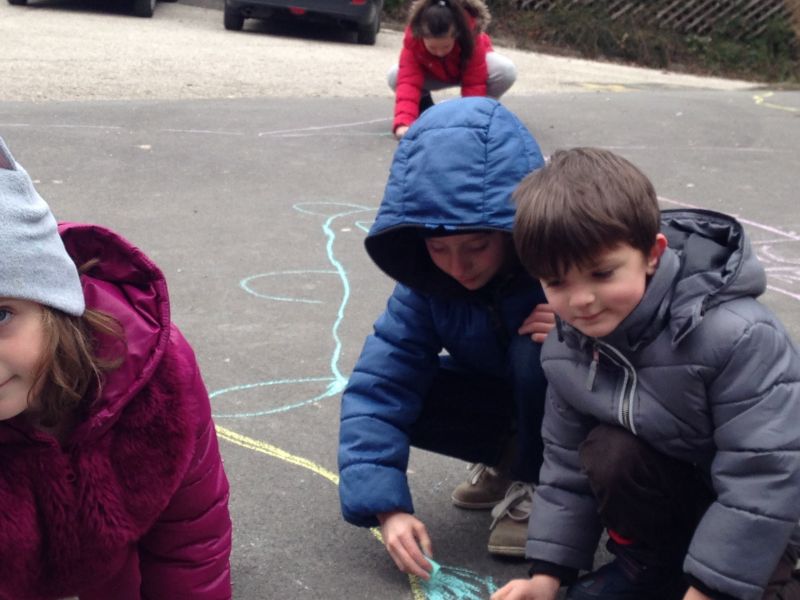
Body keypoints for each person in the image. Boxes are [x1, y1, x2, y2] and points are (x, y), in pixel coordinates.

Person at [493, 147, 800, 600]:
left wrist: (709, 589)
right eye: (556, 283)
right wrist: (546, 577)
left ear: (652, 254)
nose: (581, 300)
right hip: (684, 500)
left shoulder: (737, 335)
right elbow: (564, 466)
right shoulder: (566, 346)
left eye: (602, 273)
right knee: (608, 451)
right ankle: (654, 565)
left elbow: (763, 475)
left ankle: (750, 578)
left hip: (769, 523)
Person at [0, 136, 232, 600]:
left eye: (0, 315)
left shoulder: (153, 373)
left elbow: (189, 539)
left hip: (108, 561)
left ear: (54, 301)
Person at [338, 97, 554, 580]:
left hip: (577, 424)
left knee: (540, 350)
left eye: (476, 245)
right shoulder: (427, 286)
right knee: (406, 384)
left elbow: (649, 329)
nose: (458, 266)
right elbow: (380, 384)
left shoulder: (565, 265)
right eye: (439, 248)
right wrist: (386, 509)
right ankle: (508, 456)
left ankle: (541, 482)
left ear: (514, 231)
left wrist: (585, 325)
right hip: (507, 403)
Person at [387, 0, 517, 139]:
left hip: (465, 72)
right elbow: (408, 82)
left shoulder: (471, 36)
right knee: (396, 75)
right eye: (432, 48)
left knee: (505, 70)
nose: (440, 53)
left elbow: (474, 83)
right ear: (421, 37)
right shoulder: (413, 40)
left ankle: (486, 112)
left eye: (446, 46)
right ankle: (424, 109)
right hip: (433, 73)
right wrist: (404, 123)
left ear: (457, 35)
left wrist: (472, 122)